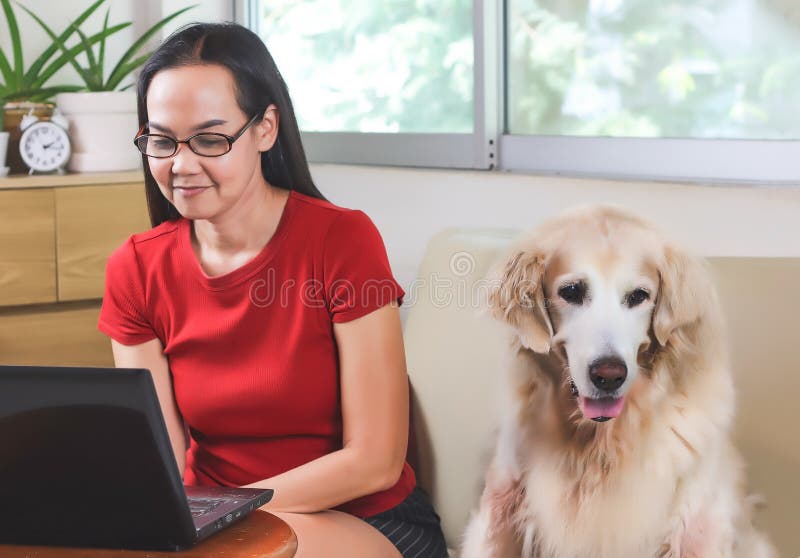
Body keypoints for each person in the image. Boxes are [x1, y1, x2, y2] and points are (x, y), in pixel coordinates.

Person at [98, 22, 448, 558]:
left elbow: (375, 460)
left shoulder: (342, 239)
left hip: (361, 519)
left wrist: (224, 511)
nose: (181, 165)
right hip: (213, 524)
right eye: (162, 140)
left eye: (210, 139)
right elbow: (161, 457)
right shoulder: (137, 266)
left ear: (265, 129)